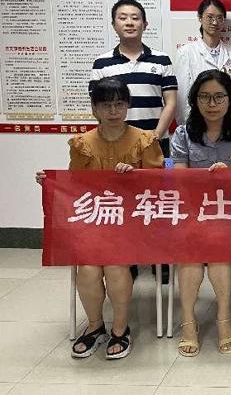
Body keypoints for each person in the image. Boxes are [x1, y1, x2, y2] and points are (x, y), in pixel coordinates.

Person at [35, 77, 164, 359]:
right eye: (106, 105)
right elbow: (75, 186)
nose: (113, 111)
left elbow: (159, 185)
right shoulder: (82, 143)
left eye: (119, 104)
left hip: (133, 221)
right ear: (94, 109)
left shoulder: (145, 140)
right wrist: (50, 182)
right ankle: (95, 327)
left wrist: (137, 176)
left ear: (128, 106)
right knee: (89, 269)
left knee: (115, 266)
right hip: (95, 221)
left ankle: (120, 329)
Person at [170, 69, 231, 357]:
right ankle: (188, 321)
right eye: (204, 97)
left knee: (219, 246)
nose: (212, 104)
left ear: (230, 99)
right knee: (190, 253)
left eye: (219, 97)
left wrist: (230, 178)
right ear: (194, 100)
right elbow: (180, 183)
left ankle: (224, 318)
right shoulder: (182, 134)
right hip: (193, 213)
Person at [91, 0, 177, 282]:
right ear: (114, 24)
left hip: (155, 143)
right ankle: (127, 258)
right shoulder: (102, 63)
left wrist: (153, 137)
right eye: (123, 17)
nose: (129, 22)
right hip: (116, 145)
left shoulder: (161, 60)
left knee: (158, 202)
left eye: (135, 17)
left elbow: (170, 102)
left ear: (145, 23)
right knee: (123, 203)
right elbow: (98, 106)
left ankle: (160, 259)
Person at [174, 0, 231, 126]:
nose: (215, 22)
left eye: (219, 18)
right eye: (210, 17)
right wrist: (188, 125)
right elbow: (182, 96)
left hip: (229, 123)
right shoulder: (186, 53)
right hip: (198, 123)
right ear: (200, 18)